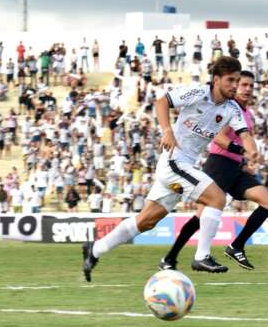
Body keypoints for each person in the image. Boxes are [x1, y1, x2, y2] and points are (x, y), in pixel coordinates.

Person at [80, 57, 257, 281]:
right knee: (217, 198)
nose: (235, 85)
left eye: (237, 81)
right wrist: (167, 131)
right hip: (174, 162)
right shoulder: (197, 92)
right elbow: (162, 102)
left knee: (146, 221)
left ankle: (95, 249)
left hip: (184, 166)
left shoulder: (232, 109)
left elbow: (245, 135)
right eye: (231, 80)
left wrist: (252, 151)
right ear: (216, 80)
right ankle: (202, 256)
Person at [159, 70, 268, 271]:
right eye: (243, 85)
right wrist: (242, 151)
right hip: (219, 165)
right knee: (200, 216)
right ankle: (170, 258)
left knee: (267, 202)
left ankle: (236, 246)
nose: (247, 89)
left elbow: (244, 139)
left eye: (251, 85)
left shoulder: (246, 113)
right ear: (235, 86)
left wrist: (245, 161)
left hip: (235, 168)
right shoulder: (228, 109)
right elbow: (218, 138)